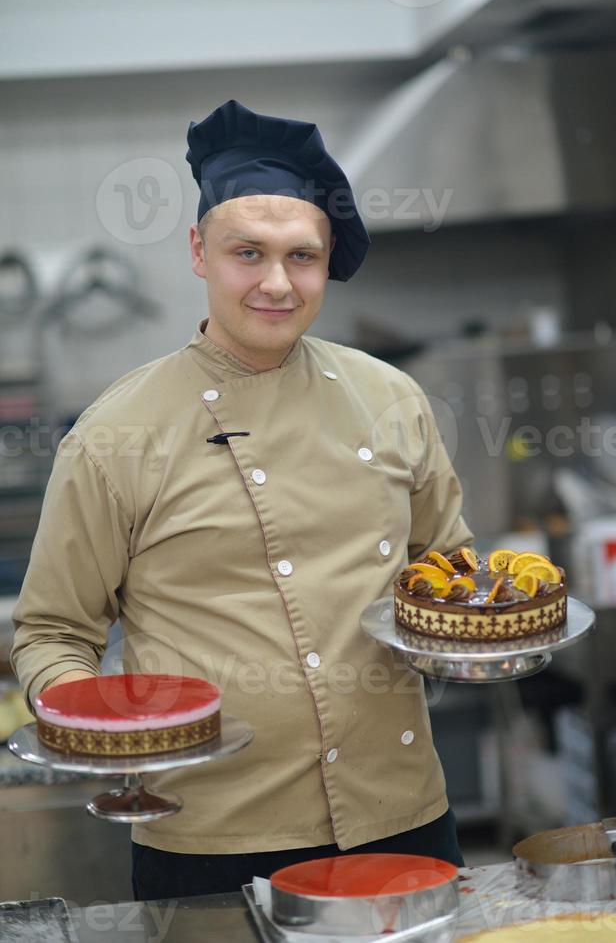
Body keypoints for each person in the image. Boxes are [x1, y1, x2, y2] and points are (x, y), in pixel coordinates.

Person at [11, 99, 475, 901]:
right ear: (199, 251)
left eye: (302, 257)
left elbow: (449, 573)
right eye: (246, 253)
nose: (275, 282)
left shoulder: (391, 398)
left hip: (401, 814)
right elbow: (52, 632)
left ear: (326, 261)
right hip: (211, 836)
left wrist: (474, 634)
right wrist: (102, 735)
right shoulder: (117, 433)